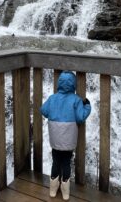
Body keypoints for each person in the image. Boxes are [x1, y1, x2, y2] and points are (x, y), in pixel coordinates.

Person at [40, 71, 91, 201]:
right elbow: (80, 118)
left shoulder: (52, 98)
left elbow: (43, 110)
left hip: (55, 138)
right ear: (74, 85)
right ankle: (66, 192)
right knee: (66, 163)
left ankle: (52, 190)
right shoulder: (76, 100)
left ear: (59, 84)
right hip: (68, 140)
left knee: (55, 161)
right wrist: (87, 106)